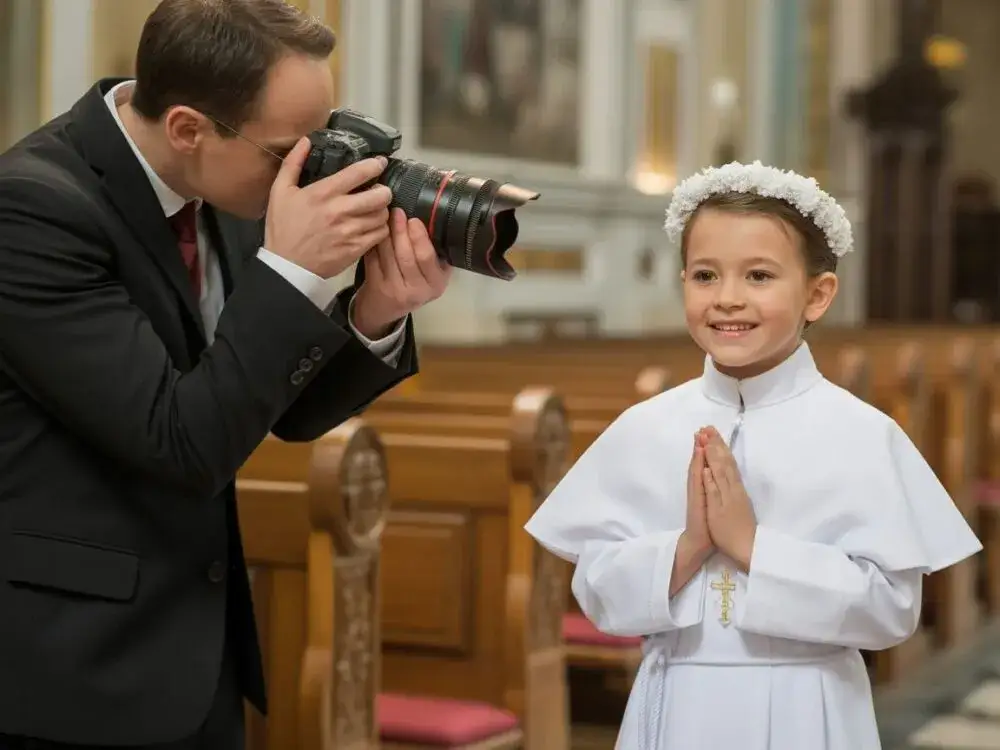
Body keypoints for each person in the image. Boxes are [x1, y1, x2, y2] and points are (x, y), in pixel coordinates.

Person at [0, 1, 452, 748]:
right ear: (187, 127)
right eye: (288, 154)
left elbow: (277, 408)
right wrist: (293, 272)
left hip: (198, 656)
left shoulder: (231, 177)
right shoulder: (31, 213)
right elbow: (183, 443)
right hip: (72, 675)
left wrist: (373, 310)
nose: (305, 173)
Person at [524, 161, 982, 750]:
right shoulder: (647, 427)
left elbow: (889, 613)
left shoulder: (862, 434)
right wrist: (687, 547)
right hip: (675, 700)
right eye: (705, 276)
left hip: (808, 704)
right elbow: (598, 592)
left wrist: (751, 546)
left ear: (818, 295)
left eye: (760, 276)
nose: (728, 299)